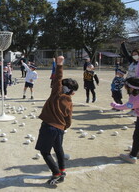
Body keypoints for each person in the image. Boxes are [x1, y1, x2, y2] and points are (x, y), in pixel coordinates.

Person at [35, 56, 79, 185]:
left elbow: (58, 79)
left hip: (48, 127)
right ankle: (62, 169)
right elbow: (69, 119)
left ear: (61, 88)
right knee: (58, 149)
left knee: (45, 152)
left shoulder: (56, 94)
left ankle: (56, 173)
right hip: (60, 128)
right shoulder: (69, 102)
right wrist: (64, 127)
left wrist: (60, 64)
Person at [111, 51, 139, 164]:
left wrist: (115, 105)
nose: (125, 88)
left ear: (131, 88)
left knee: (137, 137)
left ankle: (132, 156)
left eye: (126, 87)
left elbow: (125, 106)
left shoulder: (135, 99)